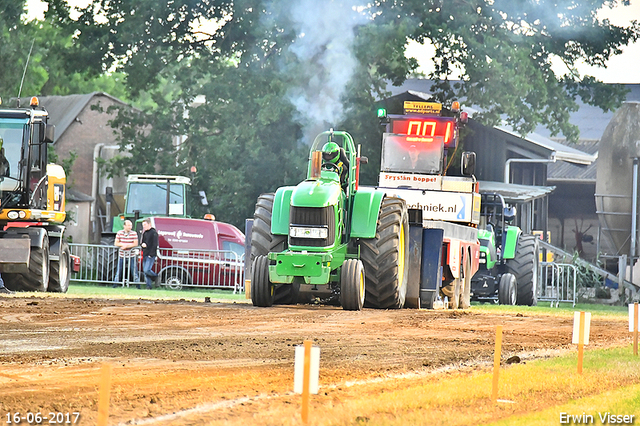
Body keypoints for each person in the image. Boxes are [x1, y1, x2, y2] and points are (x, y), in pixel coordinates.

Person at [114, 219, 140, 287]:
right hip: (122, 255)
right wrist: (123, 245)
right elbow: (116, 243)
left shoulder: (134, 233)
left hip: (132, 255)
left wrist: (126, 246)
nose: (130, 227)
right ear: (124, 226)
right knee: (119, 271)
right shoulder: (119, 233)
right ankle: (115, 285)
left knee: (134, 272)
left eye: (131, 225)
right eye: (128, 225)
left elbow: (135, 244)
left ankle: (138, 286)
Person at [140, 218, 158, 289]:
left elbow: (154, 244)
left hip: (150, 255)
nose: (144, 226)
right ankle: (149, 285)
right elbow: (142, 242)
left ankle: (155, 276)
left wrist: (151, 254)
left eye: (145, 225)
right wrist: (142, 245)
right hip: (145, 253)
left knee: (147, 270)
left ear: (149, 224)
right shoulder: (145, 233)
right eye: (143, 225)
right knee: (145, 272)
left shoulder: (153, 233)